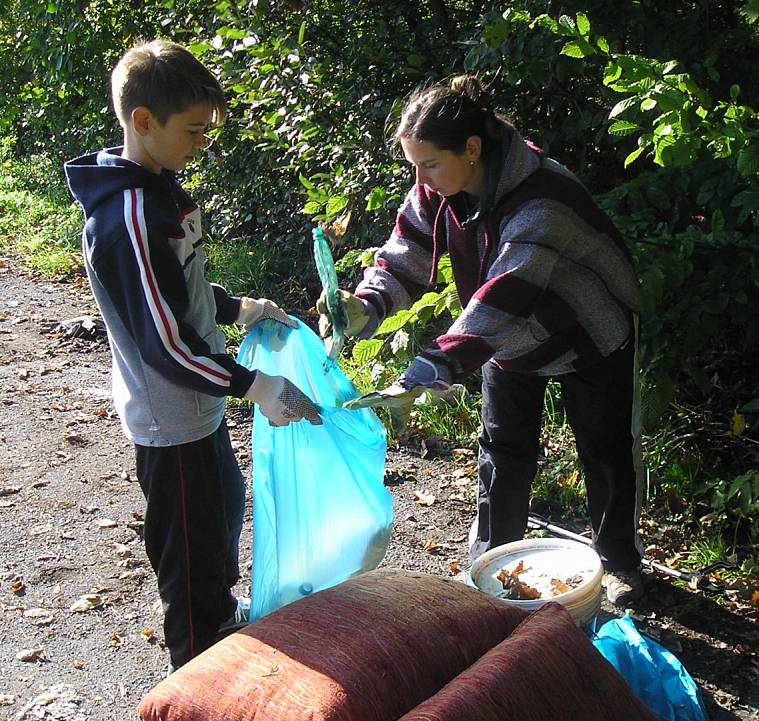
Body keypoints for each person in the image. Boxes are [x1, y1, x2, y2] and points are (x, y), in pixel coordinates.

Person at [319, 75, 644, 607]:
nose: (420, 178)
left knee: (605, 450)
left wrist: (423, 374)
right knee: (503, 449)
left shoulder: (544, 200)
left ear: (472, 150)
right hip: (509, 340)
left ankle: (620, 563)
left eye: (429, 164)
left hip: (588, 330)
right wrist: (363, 306)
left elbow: (499, 302)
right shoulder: (437, 188)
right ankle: (492, 568)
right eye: (413, 166)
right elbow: (405, 257)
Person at [65, 39, 321, 673]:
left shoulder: (161, 185)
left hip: (199, 403)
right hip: (170, 417)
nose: (202, 142)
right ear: (142, 121)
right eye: (194, 129)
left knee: (224, 508)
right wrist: (255, 384)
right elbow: (164, 341)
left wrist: (243, 309)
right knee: (188, 544)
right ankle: (194, 666)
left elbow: (181, 291)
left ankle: (216, 617)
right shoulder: (125, 215)